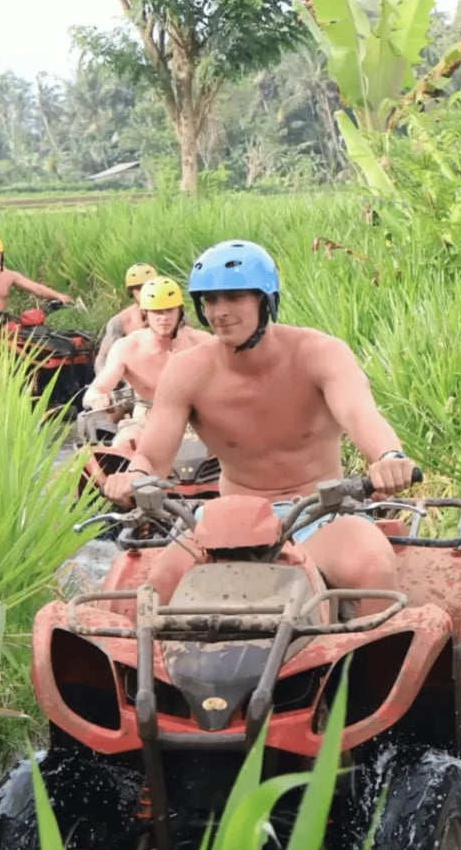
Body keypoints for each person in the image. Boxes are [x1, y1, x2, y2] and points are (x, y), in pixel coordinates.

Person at [100, 239, 420, 616]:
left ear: (265, 300)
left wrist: (388, 457)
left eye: (235, 297)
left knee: (372, 568)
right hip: (228, 520)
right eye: (210, 300)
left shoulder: (319, 353)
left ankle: (370, 655)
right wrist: (134, 477)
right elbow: (153, 457)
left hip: (320, 512)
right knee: (157, 587)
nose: (220, 312)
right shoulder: (187, 370)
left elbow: (361, 414)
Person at [83, 275, 207, 449]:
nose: (164, 318)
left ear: (180, 312)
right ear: (145, 314)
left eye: (169, 310)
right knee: (125, 442)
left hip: (197, 419)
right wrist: (97, 398)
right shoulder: (127, 348)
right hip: (146, 419)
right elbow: (94, 392)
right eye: (157, 312)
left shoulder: (202, 343)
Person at [0, 235, 79, 325]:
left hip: (3, 326)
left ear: (1, 254)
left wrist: (58, 296)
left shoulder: (10, 275)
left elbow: (36, 288)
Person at [94, 262, 160, 374]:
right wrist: (109, 379)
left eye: (149, 287)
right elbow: (102, 359)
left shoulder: (174, 315)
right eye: (139, 289)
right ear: (131, 291)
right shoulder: (120, 322)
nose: (145, 293)